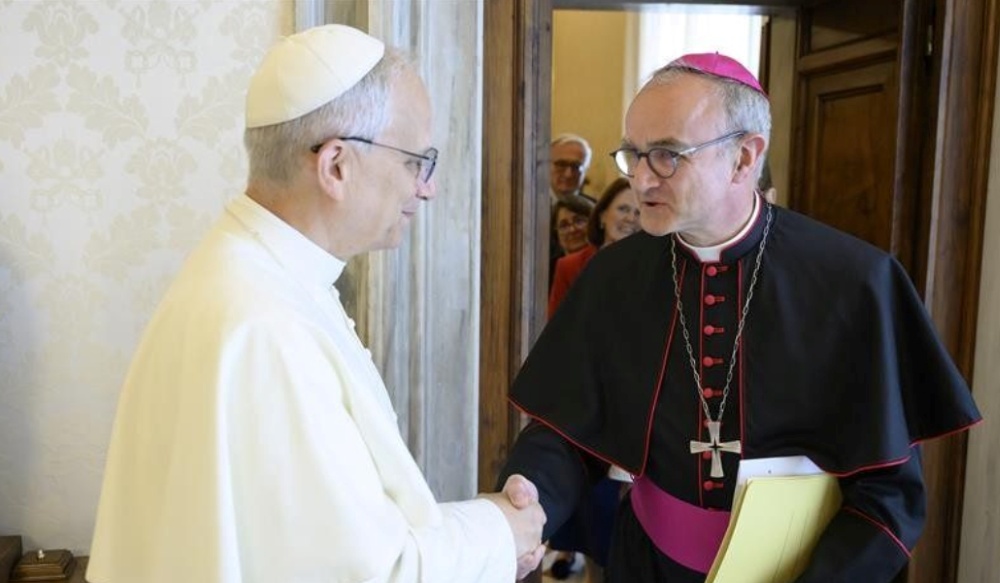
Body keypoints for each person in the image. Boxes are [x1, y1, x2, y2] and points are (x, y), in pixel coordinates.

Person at [498, 52, 981, 582]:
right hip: (646, 567)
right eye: (633, 154)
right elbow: (566, 432)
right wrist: (526, 503)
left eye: (666, 155)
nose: (639, 179)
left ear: (745, 157)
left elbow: (889, 496)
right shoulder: (614, 276)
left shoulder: (855, 282)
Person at [87, 24, 545, 583]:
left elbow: (327, 532)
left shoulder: (254, 277)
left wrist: (489, 527)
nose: (427, 188)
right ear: (336, 166)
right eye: (415, 161)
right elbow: (364, 573)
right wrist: (501, 532)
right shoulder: (267, 325)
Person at [548, 177, 640, 318]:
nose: (630, 219)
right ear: (603, 216)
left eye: (638, 213)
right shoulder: (569, 266)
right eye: (623, 209)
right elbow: (555, 328)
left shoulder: (651, 267)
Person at [548, 134, 596, 286]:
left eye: (576, 166)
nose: (568, 173)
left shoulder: (599, 209)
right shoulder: (526, 206)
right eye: (561, 164)